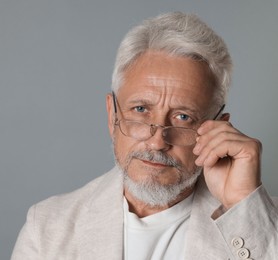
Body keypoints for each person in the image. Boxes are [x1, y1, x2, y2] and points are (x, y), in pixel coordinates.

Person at [12, 12, 278, 260]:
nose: (157, 141)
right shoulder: (47, 228)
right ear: (112, 115)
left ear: (219, 127)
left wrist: (243, 203)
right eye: (141, 110)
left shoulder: (265, 226)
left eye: (183, 117)